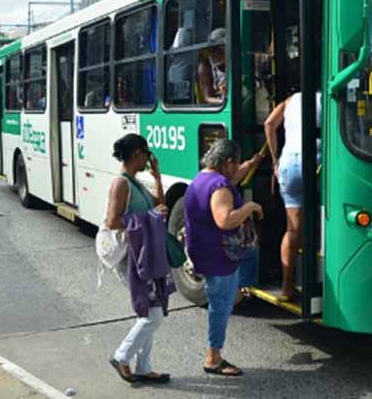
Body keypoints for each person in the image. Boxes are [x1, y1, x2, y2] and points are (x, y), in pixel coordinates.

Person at [184, 139, 264, 377]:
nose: (238, 166)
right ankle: (213, 358)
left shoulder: (202, 178)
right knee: (220, 308)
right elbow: (225, 220)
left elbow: (234, 177)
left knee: (222, 300)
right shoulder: (220, 187)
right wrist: (250, 207)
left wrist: (252, 163)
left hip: (203, 252)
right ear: (228, 161)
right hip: (220, 257)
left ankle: (238, 294)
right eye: (236, 162)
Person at [106, 134, 173, 385]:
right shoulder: (121, 184)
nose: (148, 158)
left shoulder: (135, 182)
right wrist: (149, 216)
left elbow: (160, 205)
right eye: (147, 153)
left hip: (145, 253)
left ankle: (143, 367)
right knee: (152, 315)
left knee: (148, 311)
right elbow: (112, 221)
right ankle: (121, 356)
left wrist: (157, 177)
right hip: (133, 256)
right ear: (137, 153)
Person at [264, 91, 321, 301]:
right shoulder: (329, 97)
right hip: (315, 159)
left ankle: (287, 288)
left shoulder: (288, 100)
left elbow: (269, 124)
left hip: (288, 162)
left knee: (293, 229)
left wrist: (274, 159)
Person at [196, 28, 227, 105]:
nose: (212, 54)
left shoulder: (233, 63)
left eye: (217, 49)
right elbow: (207, 98)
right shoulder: (205, 67)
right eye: (210, 50)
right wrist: (224, 101)